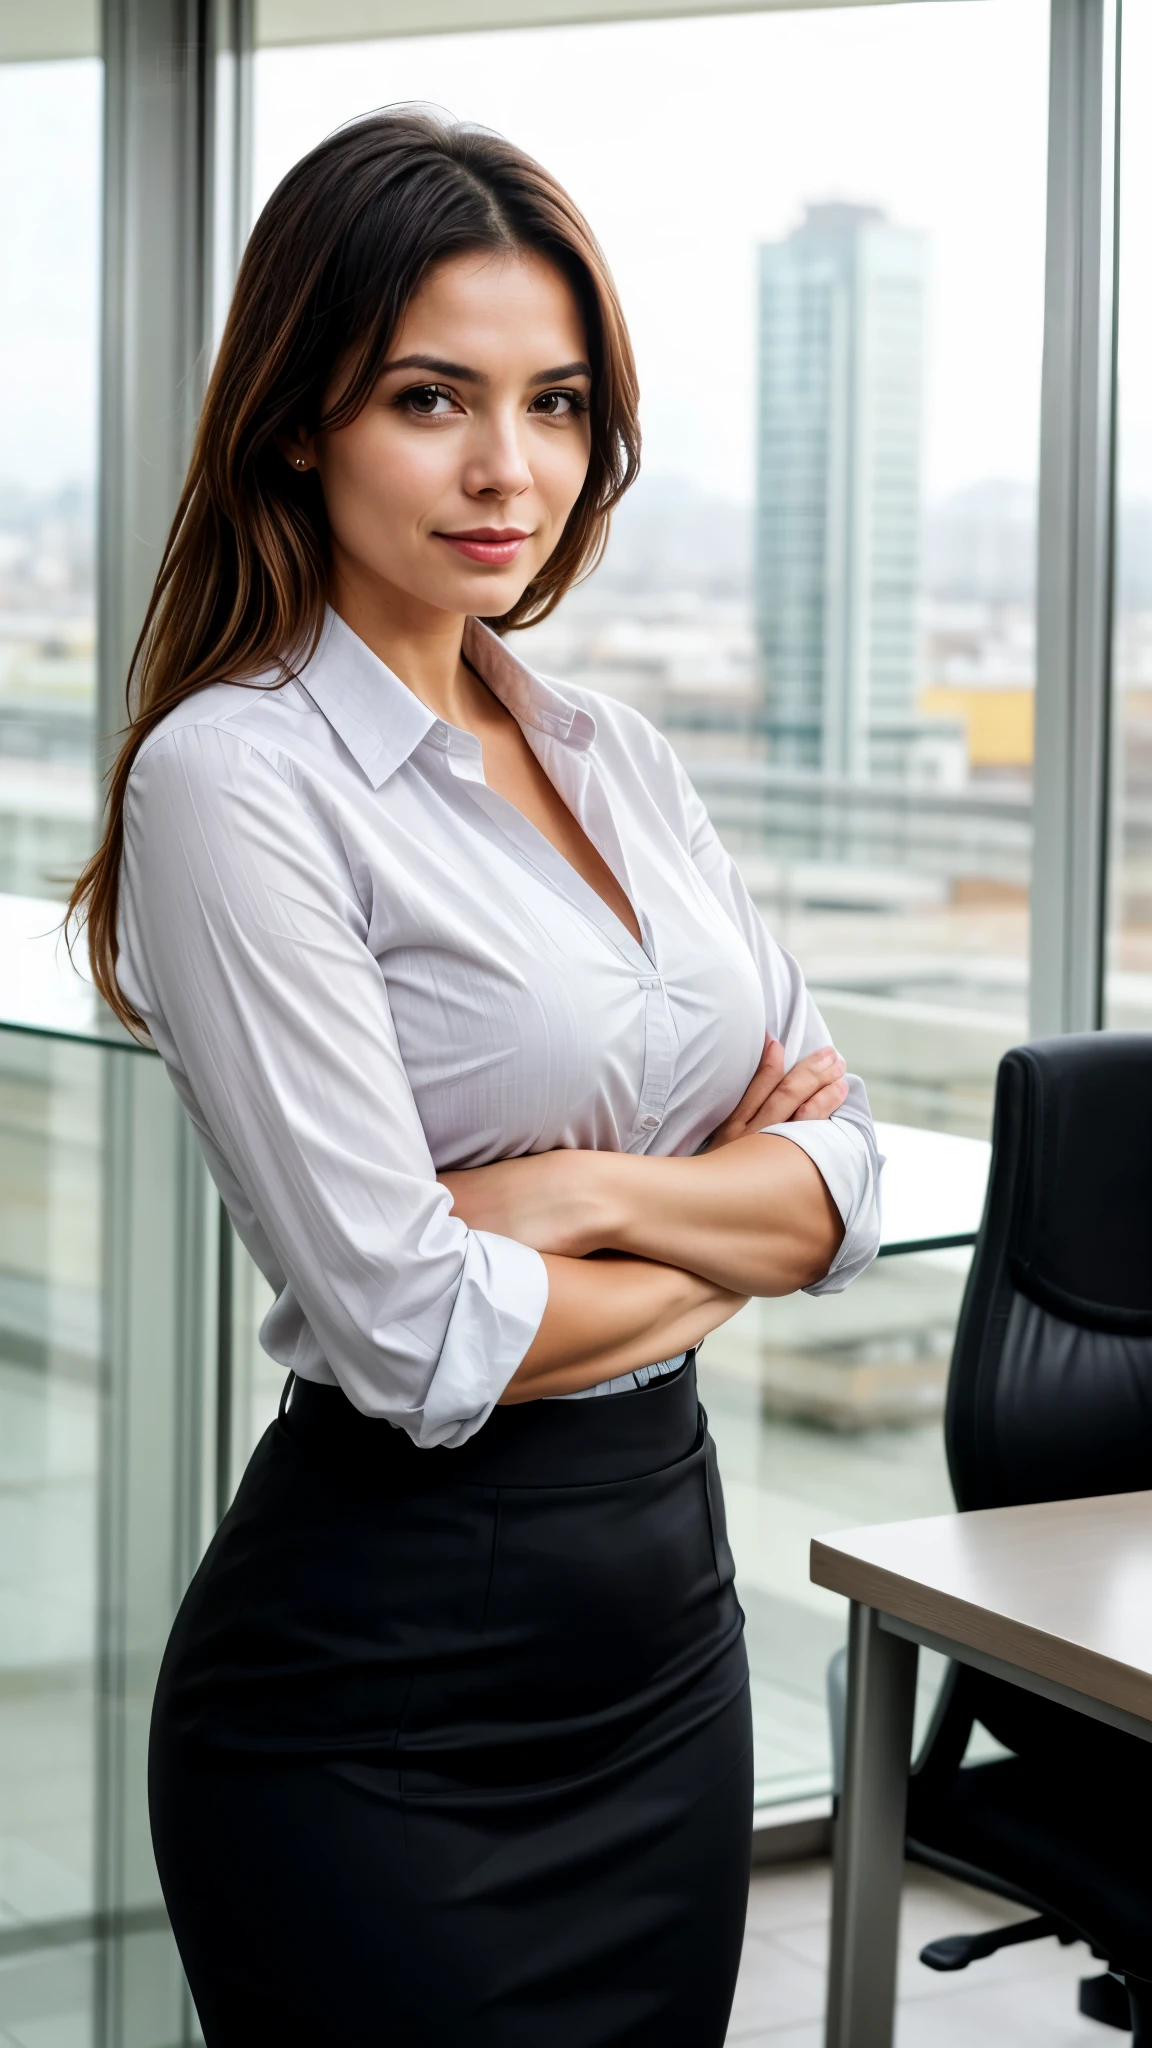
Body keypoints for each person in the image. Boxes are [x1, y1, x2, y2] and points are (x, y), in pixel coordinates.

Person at [68, 107, 881, 2047]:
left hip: (671, 1642)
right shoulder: (232, 782)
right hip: (377, 1703)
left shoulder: (610, 751)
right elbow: (419, 1323)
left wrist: (589, 1205)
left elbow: (845, 1169)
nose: (508, 470)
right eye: (433, 398)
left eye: (558, 402)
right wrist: (738, 1234)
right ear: (296, 416)